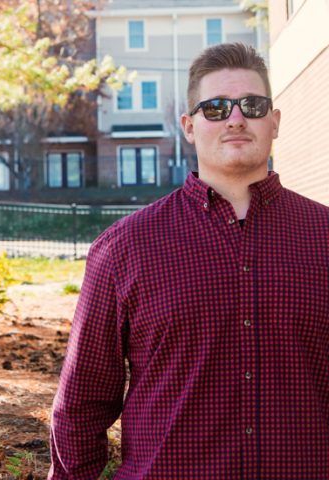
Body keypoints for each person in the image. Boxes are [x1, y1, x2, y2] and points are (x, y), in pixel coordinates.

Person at [49, 42, 329, 479]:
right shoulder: (125, 249)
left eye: (252, 106)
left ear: (274, 121)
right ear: (189, 125)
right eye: (216, 107)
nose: (236, 118)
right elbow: (81, 405)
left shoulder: (324, 237)